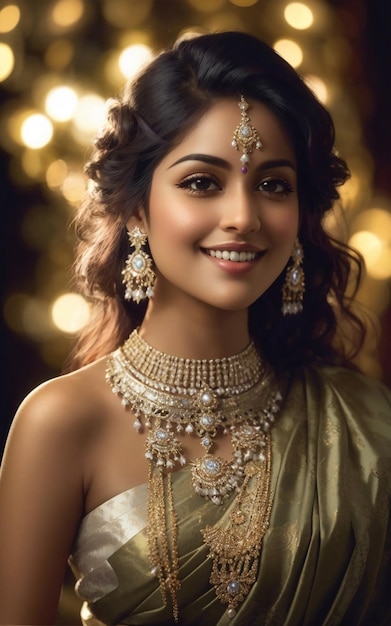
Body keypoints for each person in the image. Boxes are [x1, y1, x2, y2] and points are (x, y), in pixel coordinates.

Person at [0, 30, 390, 626]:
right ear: (136, 208)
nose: (243, 216)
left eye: (273, 184)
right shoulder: (61, 423)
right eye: (202, 182)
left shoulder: (361, 423)